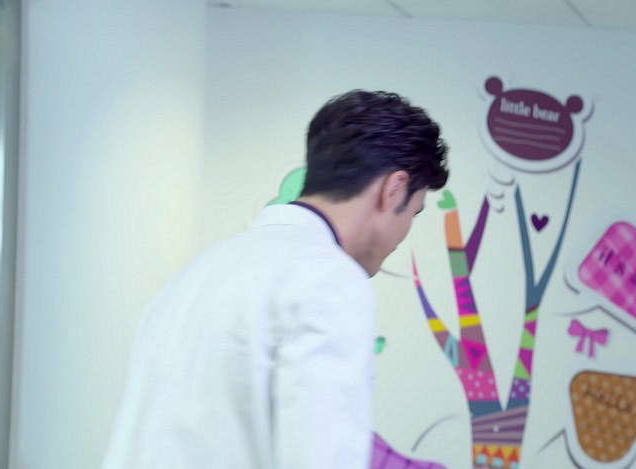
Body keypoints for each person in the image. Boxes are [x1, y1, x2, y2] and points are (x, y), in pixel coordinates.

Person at [102, 90, 449, 468]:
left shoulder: (194, 275)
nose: (403, 234)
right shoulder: (328, 277)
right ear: (393, 189)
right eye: (414, 213)